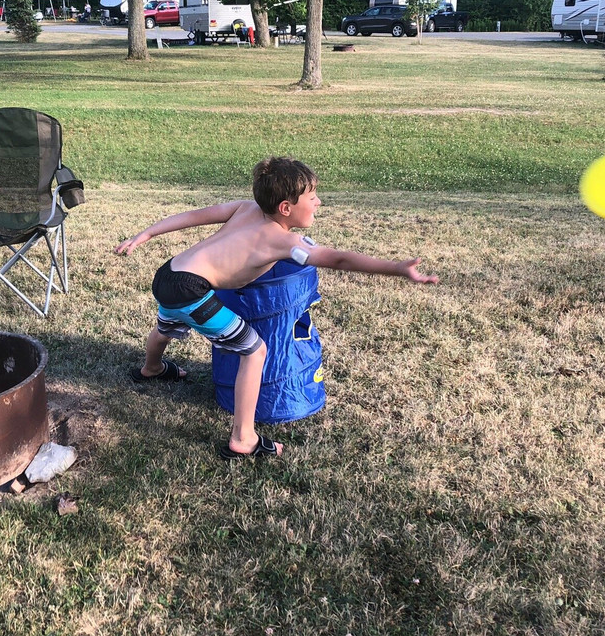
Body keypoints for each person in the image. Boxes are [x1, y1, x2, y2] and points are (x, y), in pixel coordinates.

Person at [115, 156, 438, 459]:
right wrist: (396, 268)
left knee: (167, 326)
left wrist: (146, 234)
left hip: (169, 274)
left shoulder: (245, 208)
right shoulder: (284, 241)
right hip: (191, 290)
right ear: (286, 208)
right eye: (312, 197)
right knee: (254, 350)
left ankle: (152, 368)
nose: (318, 203)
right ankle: (243, 439)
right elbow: (338, 259)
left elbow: (194, 216)